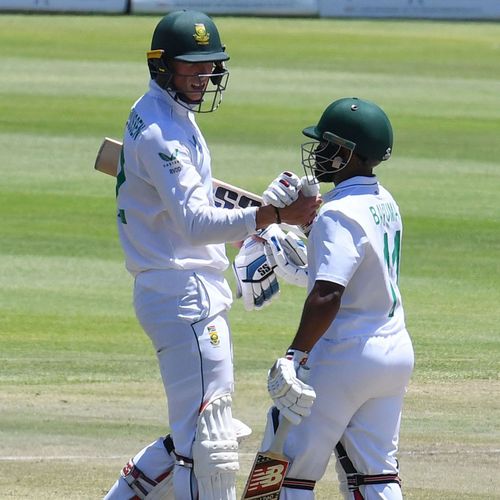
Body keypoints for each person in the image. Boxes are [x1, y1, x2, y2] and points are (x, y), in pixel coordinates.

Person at [103, 9, 320, 500]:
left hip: (176, 287)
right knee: (211, 442)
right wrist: (271, 217)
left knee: (194, 431)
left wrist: (254, 224)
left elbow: (189, 208)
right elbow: (196, 223)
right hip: (183, 293)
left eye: (210, 66)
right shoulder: (164, 132)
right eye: (191, 67)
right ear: (163, 67)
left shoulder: (161, 112)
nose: (204, 76)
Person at [263, 97, 415, 499]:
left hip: (344, 354)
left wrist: (293, 356)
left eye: (326, 146)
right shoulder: (385, 201)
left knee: (288, 473)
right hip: (393, 351)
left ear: (347, 153)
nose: (318, 153)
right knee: (376, 475)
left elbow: (329, 292)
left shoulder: (337, 213)